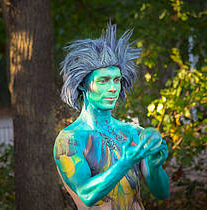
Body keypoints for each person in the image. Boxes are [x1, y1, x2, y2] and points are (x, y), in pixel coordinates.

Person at [53, 23, 170, 210]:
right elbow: (86, 195)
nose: (113, 88)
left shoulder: (133, 133)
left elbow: (162, 193)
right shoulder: (69, 140)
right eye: (103, 81)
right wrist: (125, 162)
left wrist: (155, 168)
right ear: (83, 85)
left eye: (116, 79)